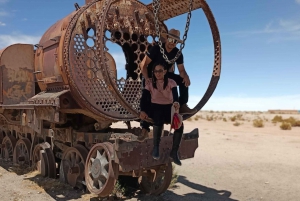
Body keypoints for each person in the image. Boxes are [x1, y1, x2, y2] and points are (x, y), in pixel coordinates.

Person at [139, 28, 196, 139]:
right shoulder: (156, 49)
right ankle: (144, 128)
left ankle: (182, 105)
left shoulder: (177, 53)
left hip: (165, 75)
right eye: (170, 39)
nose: (172, 43)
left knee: (183, 81)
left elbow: (182, 70)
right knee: (147, 97)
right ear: (166, 38)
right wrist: (147, 79)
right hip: (150, 75)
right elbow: (143, 65)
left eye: (175, 41)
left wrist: (186, 76)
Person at [139, 63, 183, 166]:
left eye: (160, 71)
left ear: (165, 71)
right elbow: (144, 98)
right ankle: (156, 148)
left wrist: (176, 103)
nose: (158, 73)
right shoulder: (150, 83)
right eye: (156, 71)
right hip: (155, 107)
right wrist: (142, 110)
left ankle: (174, 152)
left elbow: (175, 96)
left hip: (168, 107)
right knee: (158, 119)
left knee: (179, 125)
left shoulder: (171, 82)